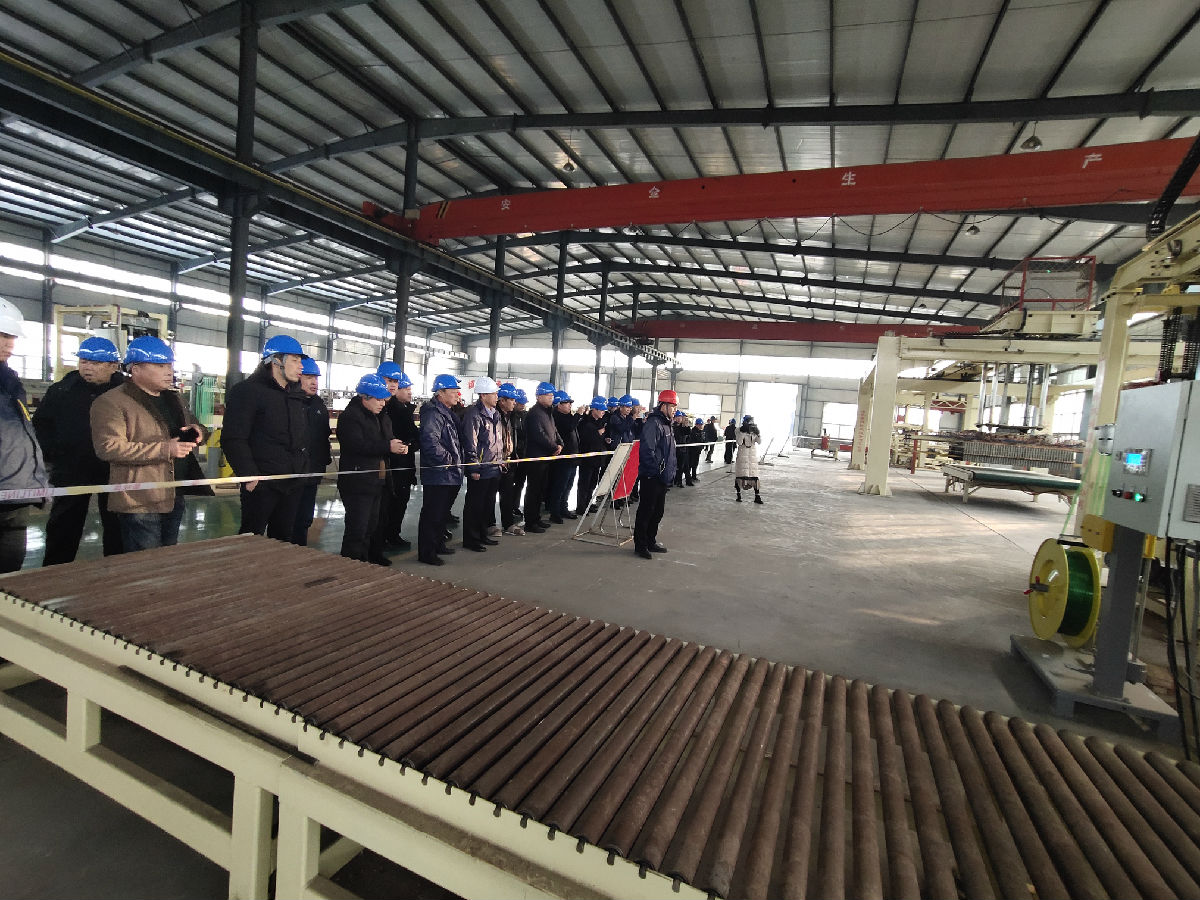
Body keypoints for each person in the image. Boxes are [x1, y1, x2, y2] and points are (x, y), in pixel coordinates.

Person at [90, 336, 211, 551]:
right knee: (145, 561)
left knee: (166, 557)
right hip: (140, 500)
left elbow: (196, 425)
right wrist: (166, 449)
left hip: (172, 493)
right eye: (160, 366)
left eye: (169, 366)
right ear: (135, 369)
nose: (168, 372)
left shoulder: (174, 399)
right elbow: (108, 448)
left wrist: (199, 432)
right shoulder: (111, 402)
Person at [33, 335, 125, 564]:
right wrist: (54, 453)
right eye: (84, 361)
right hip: (71, 469)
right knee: (63, 526)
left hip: (115, 470)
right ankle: (55, 572)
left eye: (96, 363)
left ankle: (117, 571)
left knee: (118, 527)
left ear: (113, 366)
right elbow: (42, 425)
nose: (88, 367)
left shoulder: (127, 393)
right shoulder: (62, 390)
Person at [221, 334, 310, 542]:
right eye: (295, 360)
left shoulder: (295, 395)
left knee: (283, 538)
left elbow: (300, 438)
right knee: (252, 538)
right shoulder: (247, 391)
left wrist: (302, 469)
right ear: (276, 361)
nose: (301, 367)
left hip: (292, 481)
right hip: (262, 483)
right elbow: (233, 438)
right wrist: (249, 475)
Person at [0, 297, 48, 572]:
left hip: (15, 493)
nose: (9, 344)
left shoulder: (9, 380)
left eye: (12, 337)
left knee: (10, 577)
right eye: (2, 335)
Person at [336, 374, 405, 564]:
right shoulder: (351, 417)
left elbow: (384, 441)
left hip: (376, 482)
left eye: (384, 399)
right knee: (357, 530)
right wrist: (387, 446)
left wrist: (397, 446)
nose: (382, 403)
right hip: (358, 483)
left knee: (370, 528)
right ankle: (350, 567)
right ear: (365, 397)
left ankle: (364, 564)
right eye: (378, 399)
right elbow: (356, 445)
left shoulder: (378, 416)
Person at [417, 373, 464, 566]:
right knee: (432, 514)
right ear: (441, 393)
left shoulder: (447, 412)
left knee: (442, 513)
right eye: (453, 391)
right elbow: (430, 442)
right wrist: (449, 460)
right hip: (438, 473)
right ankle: (427, 552)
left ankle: (437, 544)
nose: (457, 395)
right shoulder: (433, 413)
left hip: (448, 473)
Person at [376, 361, 419, 550]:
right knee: (383, 508)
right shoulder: (382, 409)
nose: (409, 392)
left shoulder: (401, 410)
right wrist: (391, 446)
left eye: (396, 381)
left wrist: (409, 445)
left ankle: (391, 536)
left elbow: (415, 437)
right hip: (386, 467)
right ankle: (379, 542)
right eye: (390, 380)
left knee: (398, 504)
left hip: (401, 465)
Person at [459, 376, 504, 551]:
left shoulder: (495, 414)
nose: (497, 397)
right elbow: (471, 442)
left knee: (487, 505)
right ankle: (471, 539)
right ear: (483, 395)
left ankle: (482, 535)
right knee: (475, 505)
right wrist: (473, 467)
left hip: (493, 466)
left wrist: (500, 460)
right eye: (494, 393)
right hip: (481, 468)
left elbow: (497, 441)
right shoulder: (474, 414)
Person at [291, 357, 332, 546]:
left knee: (305, 517)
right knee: (288, 518)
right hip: (292, 473)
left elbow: (322, 436)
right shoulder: (290, 402)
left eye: (316, 378)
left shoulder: (318, 405)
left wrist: (323, 460)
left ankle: (300, 548)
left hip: (312, 471)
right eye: (309, 377)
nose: (314, 382)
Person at [633, 389, 678, 560]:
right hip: (652, 477)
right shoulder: (654, 423)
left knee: (658, 512)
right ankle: (640, 545)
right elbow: (647, 451)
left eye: (675, 406)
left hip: (662, 477)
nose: (674, 410)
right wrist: (655, 472)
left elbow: (669, 451)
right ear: (663, 405)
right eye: (672, 406)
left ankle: (650, 541)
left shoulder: (667, 424)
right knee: (646, 511)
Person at [522, 381, 562, 533]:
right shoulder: (534, 413)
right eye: (548, 395)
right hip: (536, 458)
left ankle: (536, 518)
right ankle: (530, 522)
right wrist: (554, 447)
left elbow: (554, 431)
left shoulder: (547, 412)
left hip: (546, 457)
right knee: (533, 490)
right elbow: (539, 435)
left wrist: (560, 443)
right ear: (539, 396)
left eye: (552, 395)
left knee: (541, 490)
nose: (551, 397)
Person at [495, 383, 523, 536]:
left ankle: (508, 524)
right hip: (495, 461)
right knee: (490, 496)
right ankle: (490, 525)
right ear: (502, 401)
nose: (514, 402)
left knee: (507, 494)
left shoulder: (511, 416)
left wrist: (514, 454)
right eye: (511, 400)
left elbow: (512, 437)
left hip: (509, 460)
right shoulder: (494, 415)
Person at [547, 389, 579, 522]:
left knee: (568, 486)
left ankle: (563, 508)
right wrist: (578, 415)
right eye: (567, 403)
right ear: (559, 404)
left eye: (570, 403)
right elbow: (569, 428)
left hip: (572, 458)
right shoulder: (556, 417)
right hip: (563, 458)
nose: (570, 405)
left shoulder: (568, 416)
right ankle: (555, 512)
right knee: (560, 486)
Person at [575, 395, 608, 515]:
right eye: (601, 410)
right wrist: (597, 434)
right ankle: (581, 507)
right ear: (594, 409)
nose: (603, 412)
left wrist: (604, 439)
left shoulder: (600, 422)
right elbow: (583, 439)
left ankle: (588, 504)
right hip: (587, 458)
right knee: (584, 483)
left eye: (604, 410)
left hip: (597, 458)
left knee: (593, 483)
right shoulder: (585, 422)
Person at [507, 388, 529, 524]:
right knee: (510, 485)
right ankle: (509, 508)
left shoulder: (525, 416)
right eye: (520, 403)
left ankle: (515, 506)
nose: (522, 405)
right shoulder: (510, 417)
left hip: (523, 455)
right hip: (513, 456)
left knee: (520, 483)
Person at [735, 414, 765, 504]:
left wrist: (758, 433)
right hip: (742, 456)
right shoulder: (738, 430)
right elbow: (739, 442)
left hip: (752, 457)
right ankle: (738, 495)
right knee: (741, 475)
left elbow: (759, 442)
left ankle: (757, 496)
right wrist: (743, 432)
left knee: (754, 476)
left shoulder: (753, 431)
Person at [672, 409, 692, 487]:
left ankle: (681, 481)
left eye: (680, 417)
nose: (679, 419)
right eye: (678, 417)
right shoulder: (673, 426)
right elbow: (676, 434)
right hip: (676, 449)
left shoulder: (682, 427)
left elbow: (687, 432)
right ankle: (676, 481)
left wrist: (686, 426)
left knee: (683, 466)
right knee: (677, 466)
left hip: (683, 449)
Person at [688, 417, 704, 483]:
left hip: (697, 451)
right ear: (696, 424)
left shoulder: (700, 432)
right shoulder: (693, 431)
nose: (701, 426)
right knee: (691, 464)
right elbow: (693, 441)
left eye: (701, 425)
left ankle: (694, 477)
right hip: (692, 451)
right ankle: (688, 478)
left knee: (695, 464)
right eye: (699, 425)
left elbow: (702, 440)